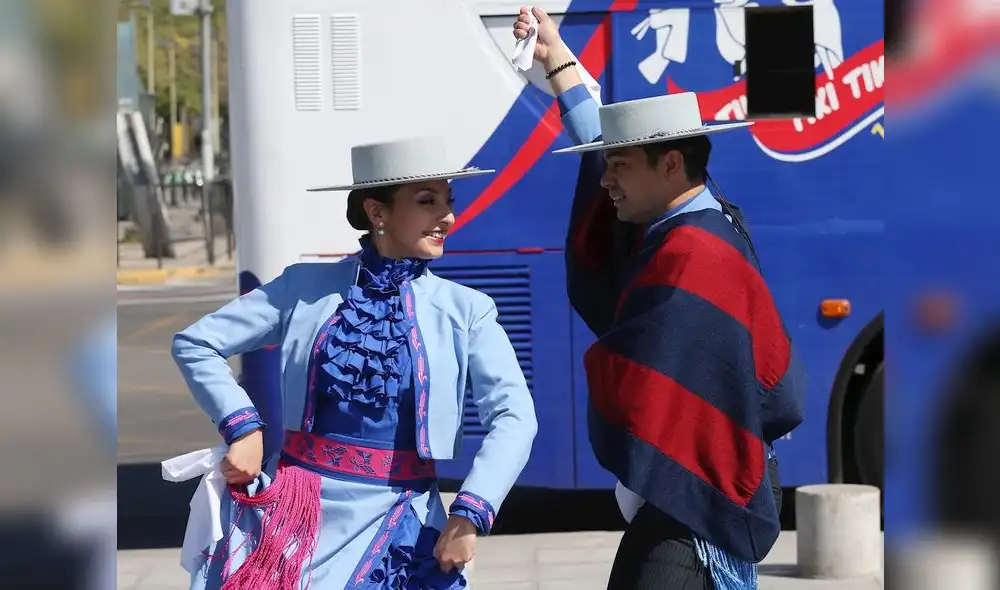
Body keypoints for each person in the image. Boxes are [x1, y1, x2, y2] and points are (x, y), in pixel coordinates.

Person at [513, 7, 806, 590]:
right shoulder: (691, 221)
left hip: (702, 482)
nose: (605, 179)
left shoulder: (695, 253)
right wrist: (556, 58)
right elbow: (600, 142)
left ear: (670, 164)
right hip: (701, 477)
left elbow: (642, 376)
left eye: (619, 166)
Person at [171, 135, 538, 590]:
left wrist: (469, 514)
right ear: (377, 212)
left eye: (448, 201)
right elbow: (196, 343)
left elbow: (515, 416)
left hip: (403, 518)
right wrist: (242, 427)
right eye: (427, 201)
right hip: (297, 516)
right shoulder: (305, 286)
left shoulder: (467, 309)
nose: (447, 216)